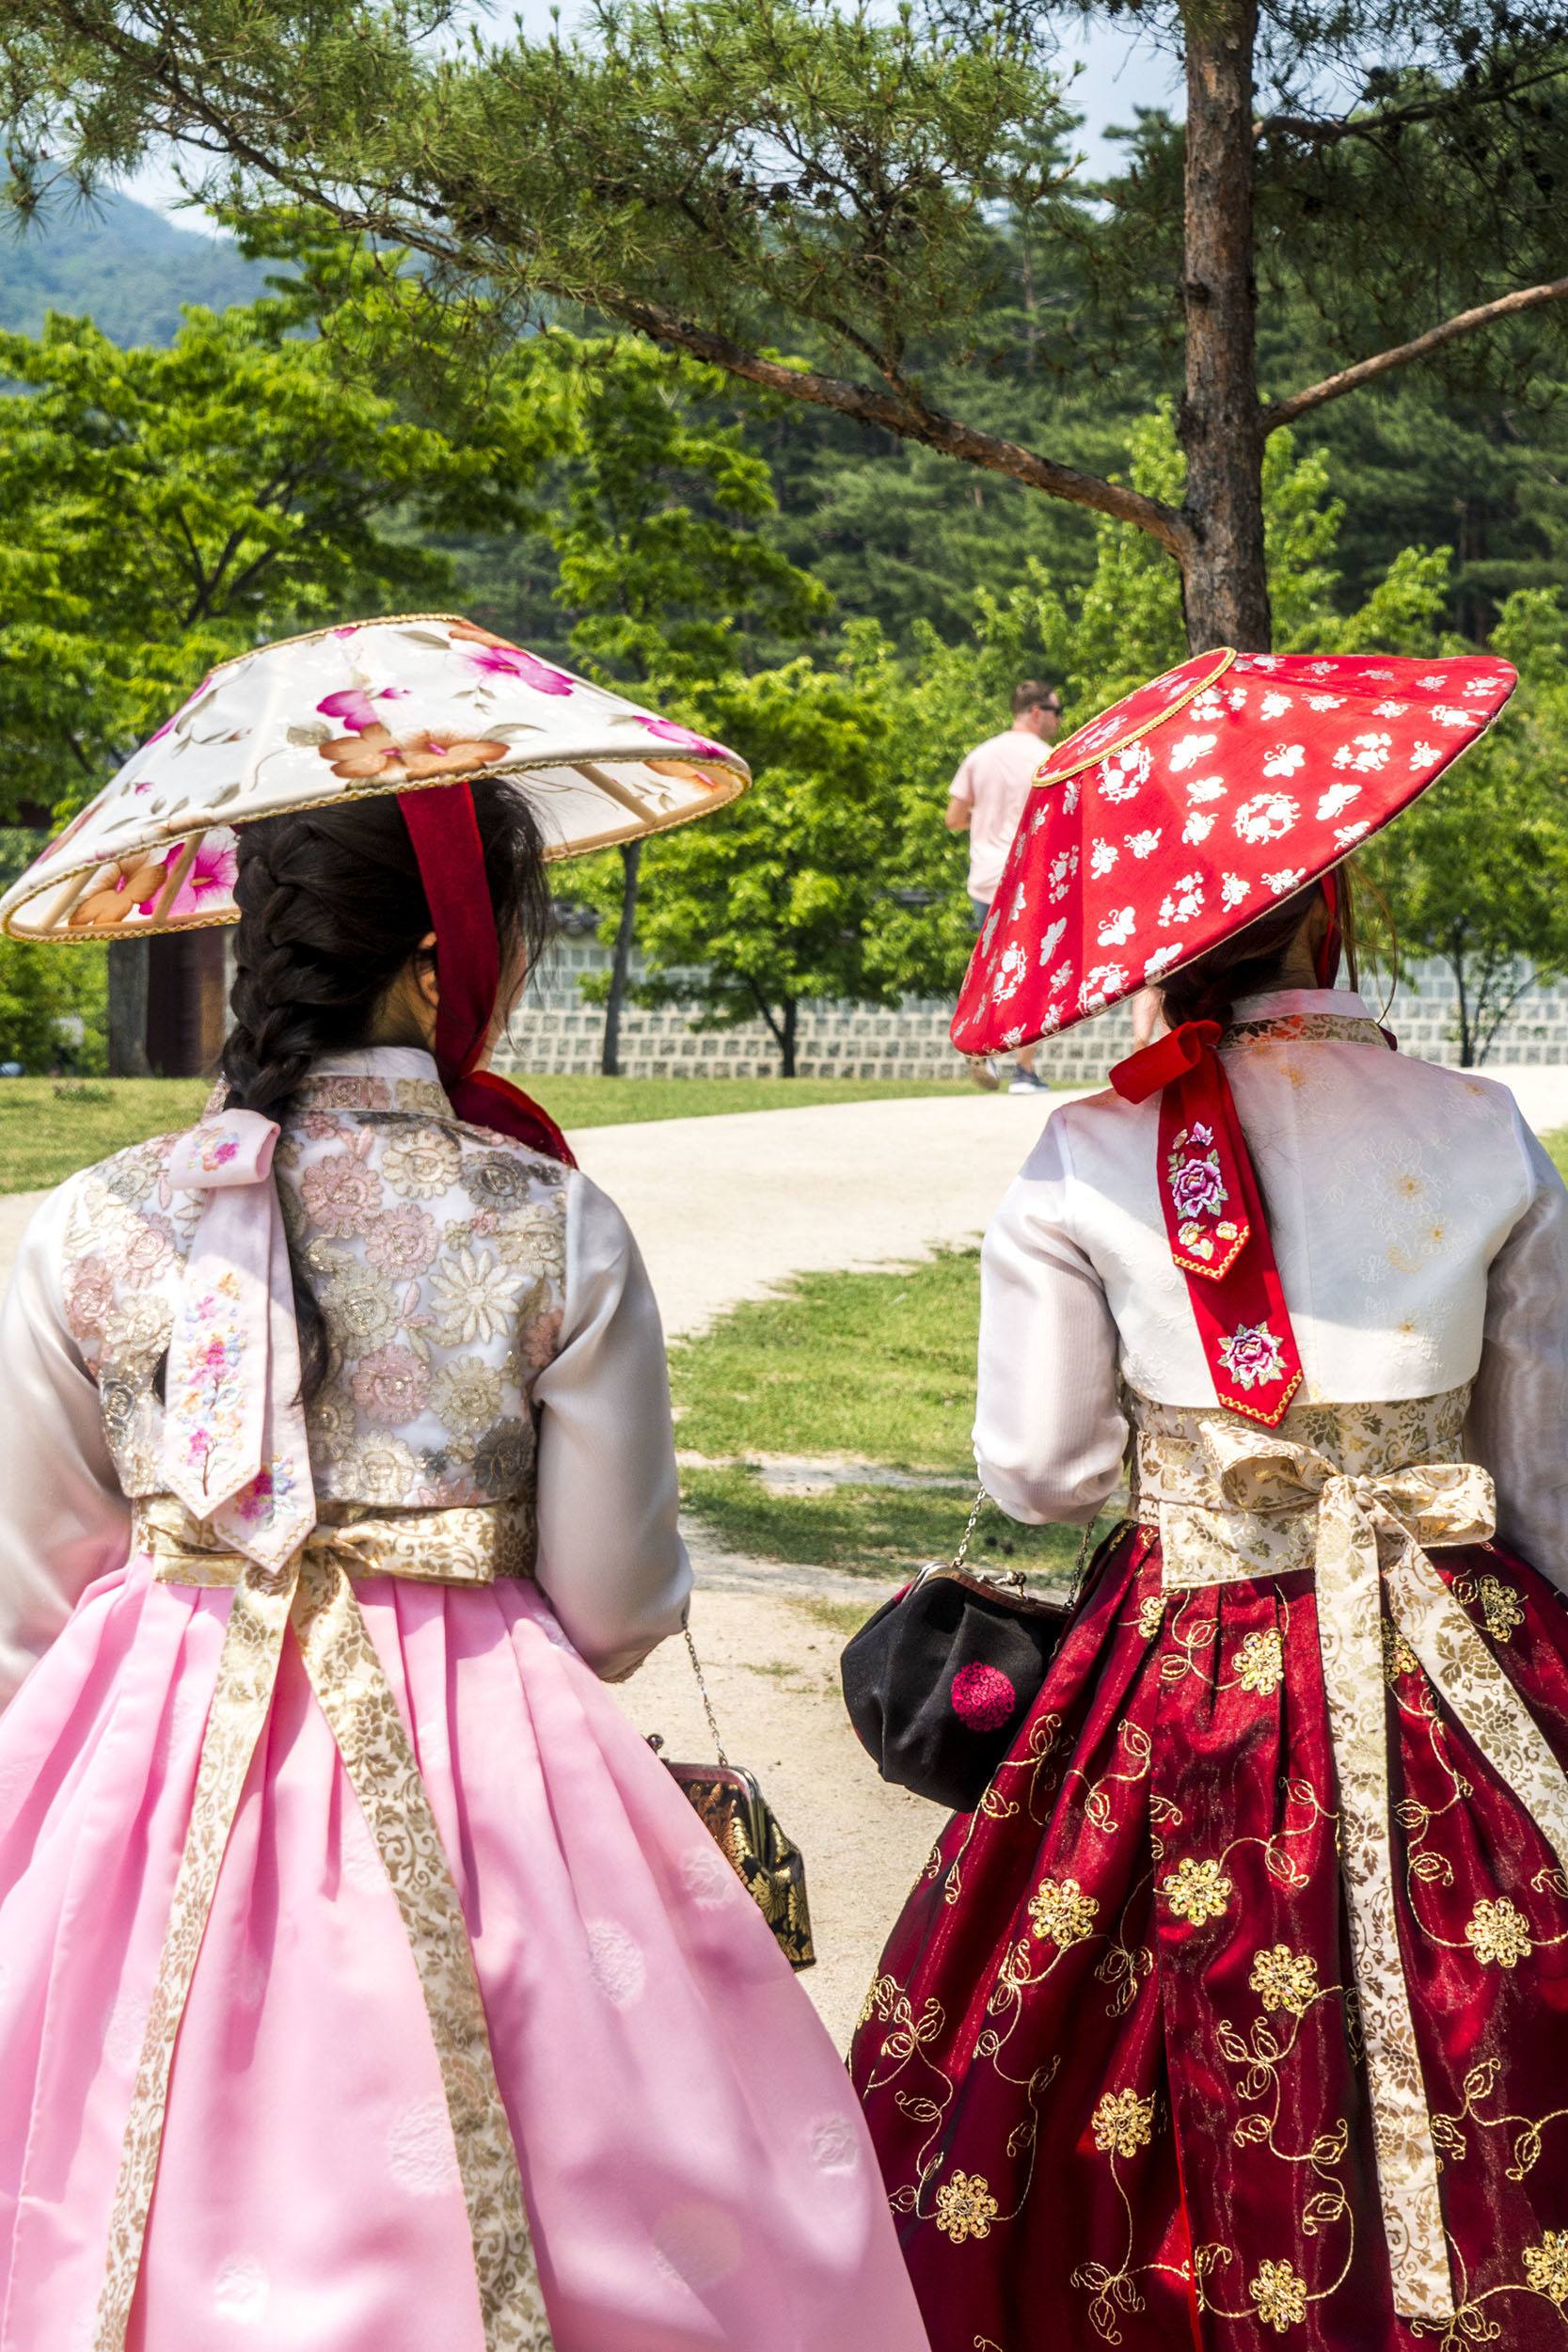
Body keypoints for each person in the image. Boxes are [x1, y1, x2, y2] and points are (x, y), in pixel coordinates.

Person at [0, 627, 929, 2352]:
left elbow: (36, 1596)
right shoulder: (540, 1216)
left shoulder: (96, 1221)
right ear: (443, 964)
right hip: (482, 1752)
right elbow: (618, 1603)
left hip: (150, 1730)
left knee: (112, 2144)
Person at [852, 648, 1568, 2349]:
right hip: (1454, 1661)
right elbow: (1539, 1474)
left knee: (1117, 2064)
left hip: (1195, 1670)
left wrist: (1179, 1469)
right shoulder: (1482, 1129)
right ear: (1332, 900)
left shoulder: (1091, 1153)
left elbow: (1033, 1469)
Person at [945, 681, 1062, 1095]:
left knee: (989, 970)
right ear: (1035, 711)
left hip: (984, 880)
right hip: (1026, 879)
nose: (1058, 720)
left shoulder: (980, 755)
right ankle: (1024, 1072)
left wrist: (984, 817)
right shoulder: (1048, 760)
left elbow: (953, 818)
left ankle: (980, 1046)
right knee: (1032, 974)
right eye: (1056, 711)